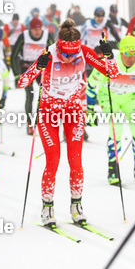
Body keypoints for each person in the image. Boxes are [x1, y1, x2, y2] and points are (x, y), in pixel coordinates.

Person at [23, 19, 117, 227]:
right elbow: (22, 81)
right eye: (66, 54)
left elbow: (113, 74)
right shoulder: (49, 54)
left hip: (73, 112)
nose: (70, 58)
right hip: (48, 113)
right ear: (59, 47)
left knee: (76, 161)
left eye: (73, 54)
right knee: (53, 160)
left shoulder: (83, 51)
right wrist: (37, 68)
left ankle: (76, 206)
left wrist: (109, 56)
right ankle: (47, 207)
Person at [87, 35, 135, 186]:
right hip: (109, 97)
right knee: (116, 129)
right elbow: (90, 85)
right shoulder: (109, 62)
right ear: (120, 52)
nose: (131, 58)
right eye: (127, 53)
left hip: (131, 98)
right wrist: (90, 110)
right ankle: (113, 169)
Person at [9, 17, 54, 135]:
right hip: (27, 67)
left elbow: (54, 53)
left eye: (39, 29)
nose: (37, 32)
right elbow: (14, 55)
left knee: (45, 95)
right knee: (30, 95)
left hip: (41, 68)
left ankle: (44, 121)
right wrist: (16, 74)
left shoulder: (47, 36)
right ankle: (29, 123)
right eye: (35, 30)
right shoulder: (24, 36)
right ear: (30, 29)